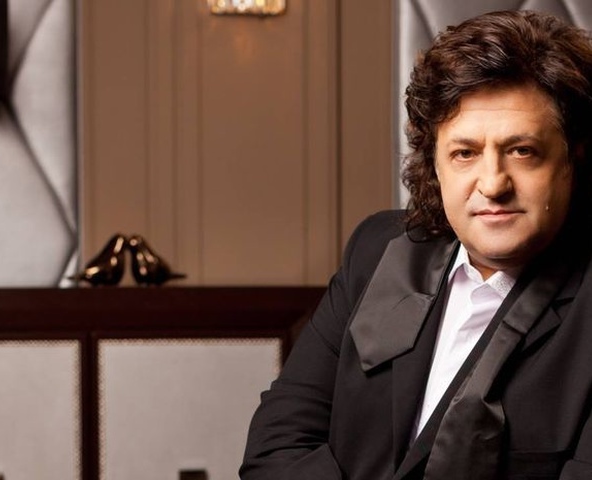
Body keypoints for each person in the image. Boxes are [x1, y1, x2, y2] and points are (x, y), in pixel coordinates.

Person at [239, 10, 592, 480]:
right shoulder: (377, 249)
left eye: (522, 151)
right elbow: (277, 448)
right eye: (465, 153)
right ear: (435, 165)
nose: (492, 183)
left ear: (573, 160)